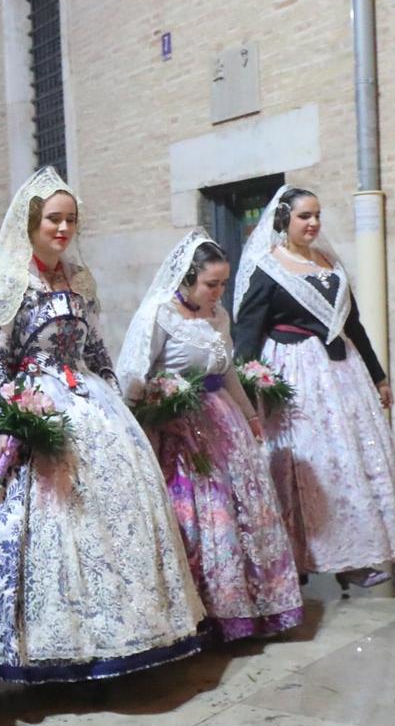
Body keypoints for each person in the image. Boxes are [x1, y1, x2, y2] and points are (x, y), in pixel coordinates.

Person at [0, 168, 203, 681]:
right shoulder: (12, 282)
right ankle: (45, 643)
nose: (62, 228)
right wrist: (14, 412)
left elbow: (96, 350)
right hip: (31, 403)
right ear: (31, 222)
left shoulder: (79, 278)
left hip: (88, 400)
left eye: (70, 219)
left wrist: (119, 408)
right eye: (53, 218)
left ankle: (120, 634)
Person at [119, 232, 303, 642]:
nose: (218, 292)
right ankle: (207, 611)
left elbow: (229, 370)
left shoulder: (218, 315)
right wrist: (153, 408)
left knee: (244, 510)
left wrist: (251, 414)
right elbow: (133, 375)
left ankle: (252, 605)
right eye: (211, 284)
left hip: (223, 421)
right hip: (178, 427)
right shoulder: (160, 313)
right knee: (205, 515)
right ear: (187, 279)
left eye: (223, 284)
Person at [233, 185, 395, 590]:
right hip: (293, 374)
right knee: (299, 464)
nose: (313, 223)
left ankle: (354, 555)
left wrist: (378, 374)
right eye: (304, 216)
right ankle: (295, 557)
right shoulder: (267, 268)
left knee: (347, 463)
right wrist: (245, 394)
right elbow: (246, 333)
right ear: (285, 220)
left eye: (317, 215)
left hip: (342, 373)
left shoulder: (330, 264)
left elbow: (353, 325)